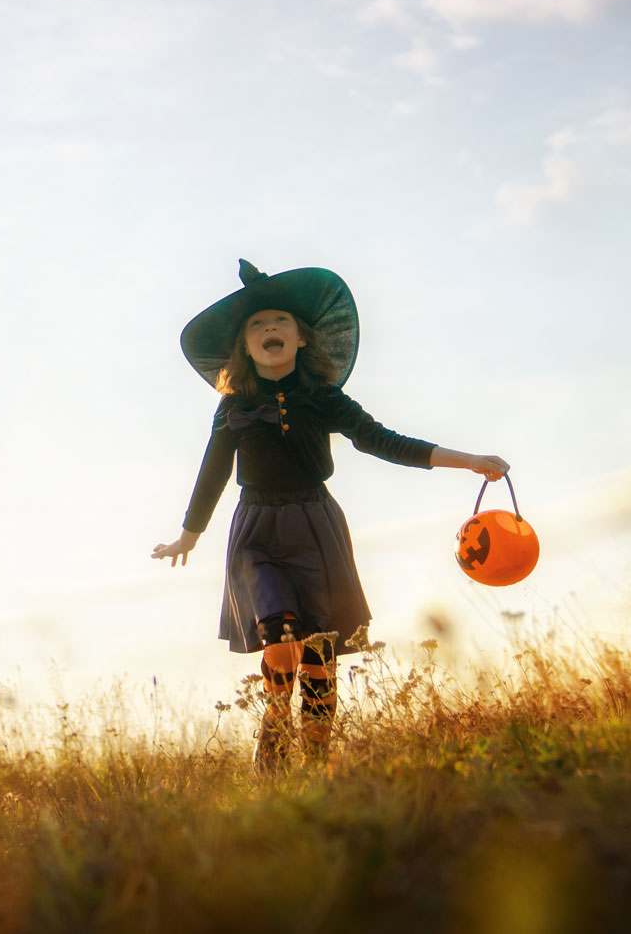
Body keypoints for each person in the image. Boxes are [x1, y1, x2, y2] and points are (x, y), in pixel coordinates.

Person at [152, 261, 508, 772]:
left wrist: (467, 460)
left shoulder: (325, 398)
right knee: (279, 631)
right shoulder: (232, 406)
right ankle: (275, 721)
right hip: (256, 532)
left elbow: (385, 441)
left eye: (279, 321)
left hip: (316, 526)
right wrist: (188, 536)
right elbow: (212, 472)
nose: (268, 329)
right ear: (244, 348)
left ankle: (317, 761)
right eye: (256, 325)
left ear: (300, 339)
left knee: (318, 649)